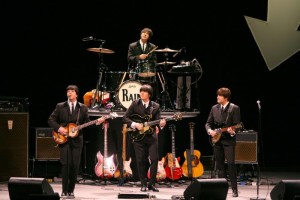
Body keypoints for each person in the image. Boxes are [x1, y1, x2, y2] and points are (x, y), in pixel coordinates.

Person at [48, 85, 106, 198]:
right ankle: (64, 190)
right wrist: (59, 128)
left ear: (76, 94)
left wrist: (97, 122)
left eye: (72, 91)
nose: (69, 93)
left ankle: (71, 190)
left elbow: (87, 124)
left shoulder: (82, 108)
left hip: (77, 141)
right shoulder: (60, 106)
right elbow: (51, 120)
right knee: (65, 165)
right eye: (68, 91)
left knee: (75, 165)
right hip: (63, 139)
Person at [122, 84, 166, 192]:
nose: (141, 93)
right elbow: (125, 117)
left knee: (154, 159)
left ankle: (152, 184)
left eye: (144, 92)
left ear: (149, 94)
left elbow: (158, 121)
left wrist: (162, 124)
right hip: (138, 136)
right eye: (141, 91)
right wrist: (134, 124)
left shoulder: (155, 106)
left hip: (151, 137)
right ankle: (143, 184)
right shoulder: (134, 104)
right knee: (141, 160)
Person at [205, 87, 241, 198]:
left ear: (225, 97)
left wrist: (232, 131)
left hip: (229, 141)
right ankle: (222, 189)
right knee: (220, 166)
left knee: (231, 165)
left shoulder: (234, 108)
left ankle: (234, 189)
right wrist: (210, 131)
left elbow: (238, 125)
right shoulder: (214, 108)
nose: (217, 97)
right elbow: (208, 123)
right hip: (217, 140)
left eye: (219, 95)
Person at [127, 27, 159, 99]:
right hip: (134, 69)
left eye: (147, 34)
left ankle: (151, 100)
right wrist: (139, 57)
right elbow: (129, 58)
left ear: (149, 37)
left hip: (148, 70)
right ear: (141, 34)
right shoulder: (132, 45)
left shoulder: (152, 47)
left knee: (154, 81)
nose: (145, 34)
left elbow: (154, 60)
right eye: (144, 32)